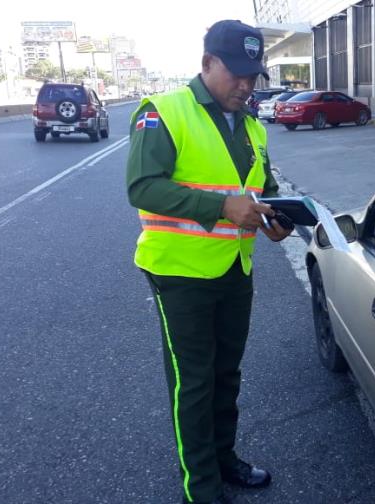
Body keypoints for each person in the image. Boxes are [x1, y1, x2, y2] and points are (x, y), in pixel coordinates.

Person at [125, 19, 291, 504]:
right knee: (194, 382)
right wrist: (220, 208)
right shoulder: (165, 112)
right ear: (206, 64)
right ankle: (200, 488)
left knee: (227, 373)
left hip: (235, 267)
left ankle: (224, 459)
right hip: (180, 273)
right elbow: (142, 186)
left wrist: (277, 221)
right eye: (236, 73)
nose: (246, 84)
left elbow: (264, 191)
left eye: (253, 75)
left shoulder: (254, 126)